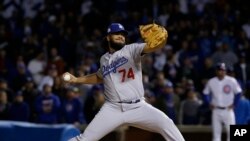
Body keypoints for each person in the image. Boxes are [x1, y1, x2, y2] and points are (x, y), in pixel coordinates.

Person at [63, 23, 185, 141]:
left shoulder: (132, 49)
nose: (121, 36)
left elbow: (152, 46)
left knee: (167, 124)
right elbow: (99, 77)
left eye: (123, 34)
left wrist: (161, 41)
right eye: (116, 33)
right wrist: (76, 79)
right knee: (85, 139)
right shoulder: (103, 59)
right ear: (108, 37)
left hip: (137, 106)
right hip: (112, 108)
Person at [202, 62, 242, 141]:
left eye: (223, 70)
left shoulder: (231, 80)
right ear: (216, 71)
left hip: (228, 110)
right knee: (216, 135)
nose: (222, 71)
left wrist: (235, 104)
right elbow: (205, 93)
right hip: (216, 110)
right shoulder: (211, 81)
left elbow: (238, 92)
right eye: (220, 70)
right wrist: (208, 103)